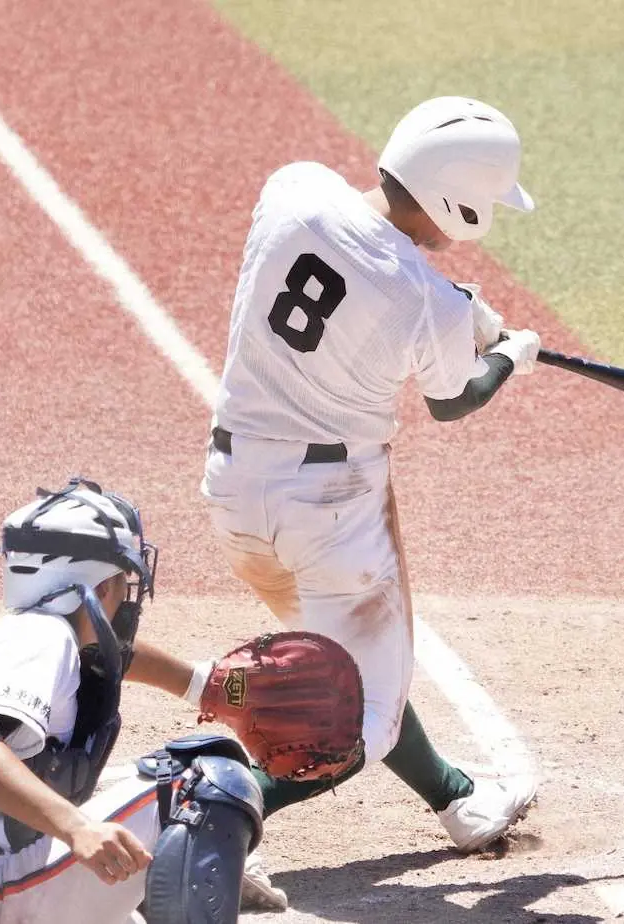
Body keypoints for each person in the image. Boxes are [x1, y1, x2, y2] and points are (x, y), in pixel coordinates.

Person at [200, 95, 541, 898]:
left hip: (234, 491)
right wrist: (508, 355)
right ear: (458, 197)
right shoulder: (425, 299)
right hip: (331, 514)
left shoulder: (295, 187)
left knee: (350, 666)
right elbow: (453, 399)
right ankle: (214, 818)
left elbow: (363, 268)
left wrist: (457, 307)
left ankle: (457, 800)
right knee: (363, 719)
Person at [0, 477, 277, 923]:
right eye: (121, 578)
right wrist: (77, 828)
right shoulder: (40, 637)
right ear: (100, 586)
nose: (126, 594)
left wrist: (203, 686)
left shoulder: (32, 636)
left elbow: (110, 657)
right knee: (203, 781)